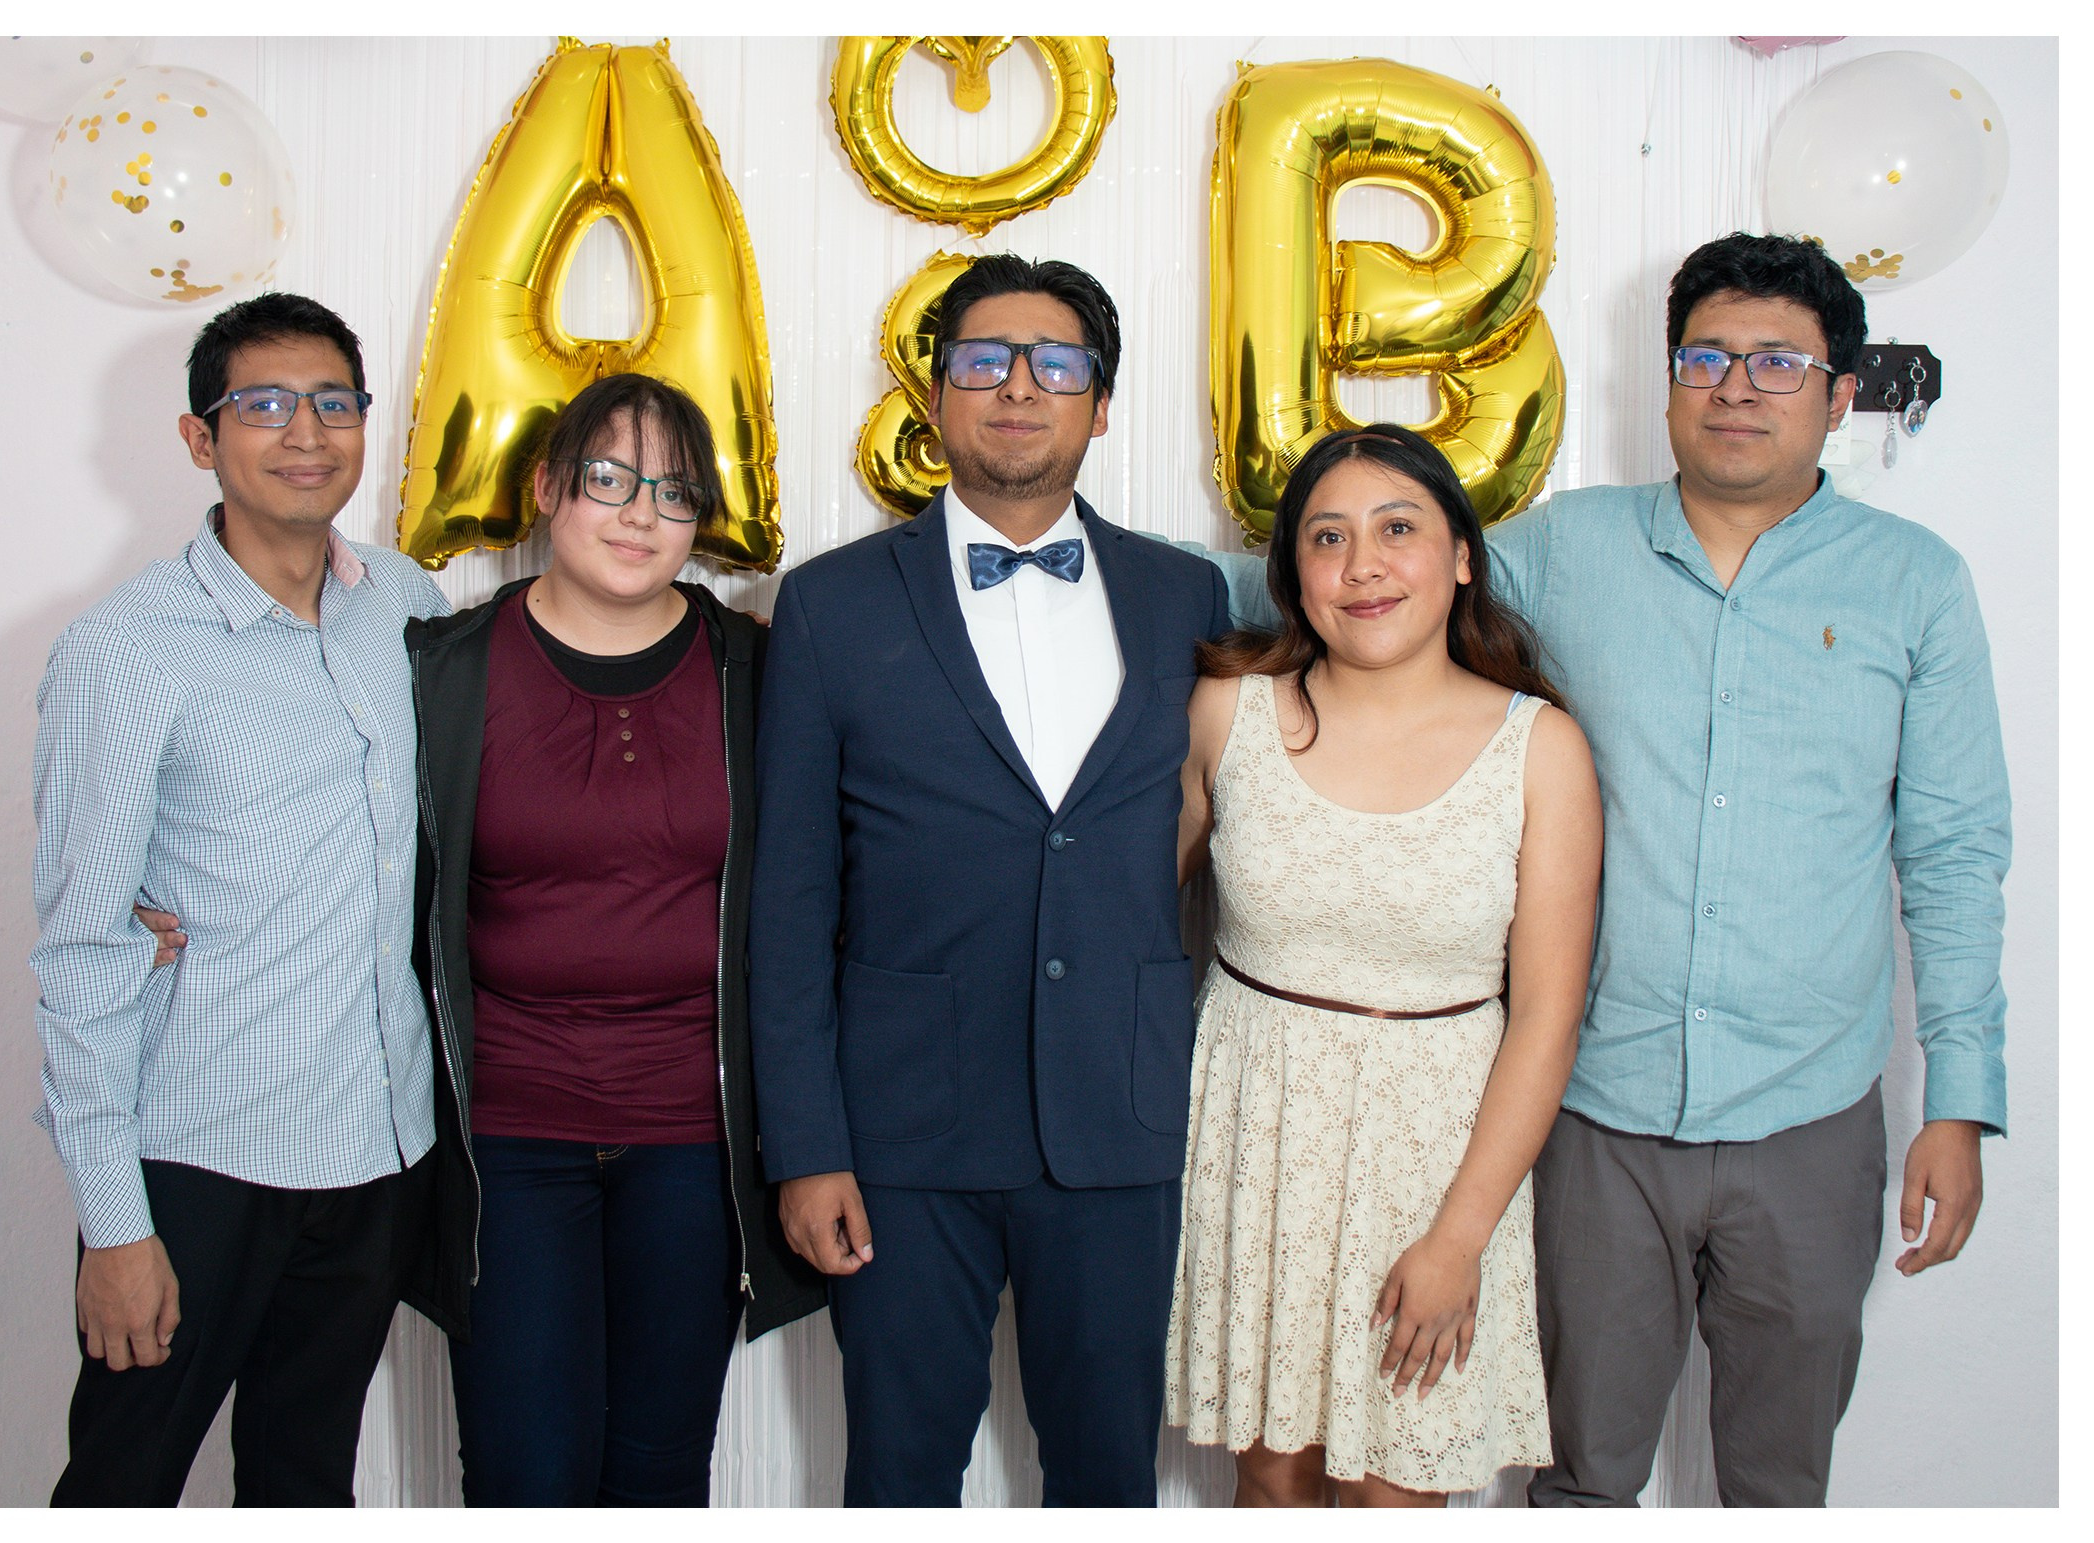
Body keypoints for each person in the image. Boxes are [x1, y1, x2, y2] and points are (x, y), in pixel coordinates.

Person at [1200, 232, 2012, 1506]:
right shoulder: (1558, 549)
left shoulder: (1917, 586)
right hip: (1595, 1116)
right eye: (1705, 357)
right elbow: (1372, 578)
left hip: (1809, 1110)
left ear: (1840, 394)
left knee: (1781, 1477)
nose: (1735, 386)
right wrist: (1097, 571)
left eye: (1778, 362)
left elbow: (1956, 851)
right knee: (1579, 1475)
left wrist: (1959, 1098)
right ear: (1670, 377)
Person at [748, 254, 1231, 1506]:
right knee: (901, 1475)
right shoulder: (828, 605)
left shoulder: (1188, 593)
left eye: (1055, 364)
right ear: (937, 393)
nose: (1020, 387)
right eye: (985, 359)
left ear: (1101, 403)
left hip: (1119, 1120)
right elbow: (790, 900)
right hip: (902, 1134)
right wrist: (806, 1147)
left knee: (1107, 1476)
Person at [29, 292, 452, 1504]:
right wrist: (115, 1224)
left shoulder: (407, 605)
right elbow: (83, 950)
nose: (304, 432)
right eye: (262, 404)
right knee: (123, 1482)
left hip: (376, 1154)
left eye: (333, 403)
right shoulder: (128, 649)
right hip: (196, 1164)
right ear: (200, 438)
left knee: (306, 1483)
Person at [402, 372, 822, 1505]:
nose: (643, 513)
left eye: (675, 492)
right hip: (510, 1132)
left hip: (695, 1138)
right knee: (521, 1472)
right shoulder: (439, 669)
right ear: (546, 489)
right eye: (609, 479)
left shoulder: (759, 669)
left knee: (657, 1469)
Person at [1167, 424, 1602, 1507]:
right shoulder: (1228, 713)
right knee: (1271, 1479)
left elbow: (1546, 1017)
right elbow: (1123, 925)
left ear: (1461, 556)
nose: (1363, 565)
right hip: (1254, 1144)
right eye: (1328, 538)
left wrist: (1460, 1239)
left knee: (1393, 1493)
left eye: (1397, 529)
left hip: (1438, 1167)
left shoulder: (1541, 746)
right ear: (1293, 577)